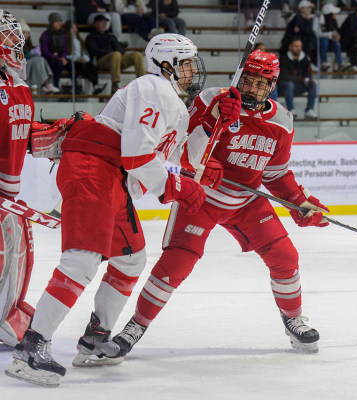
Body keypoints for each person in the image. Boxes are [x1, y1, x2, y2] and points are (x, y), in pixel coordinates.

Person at [5, 33, 241, 388]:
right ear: (167, 65)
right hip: (93, 168)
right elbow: (137, 155)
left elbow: (182, 158)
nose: (194, 72)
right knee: (82, 260)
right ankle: (31, 349)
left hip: (111, 177)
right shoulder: (153, 88)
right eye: (187, 64)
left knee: (130, 258)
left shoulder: (172, 103)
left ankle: (95, 338)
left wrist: (212, 125)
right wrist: (177, 187)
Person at [99, 50, 329, 363]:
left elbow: (276, 174)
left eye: (261, 83)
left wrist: (299, 202)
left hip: (246, 203)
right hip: (201, 197)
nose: (251, 88)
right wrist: (199, 166)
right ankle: (135, 327)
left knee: (286, 256)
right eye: (248, 79)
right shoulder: (212, 99)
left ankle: (294, 319)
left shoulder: (282, 122)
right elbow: (176, 143)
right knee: (175, 265)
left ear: (272, 85)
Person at [0, 10, 36, 346]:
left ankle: (5, 315)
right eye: (10, 36)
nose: (18, 42)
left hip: (9, 195)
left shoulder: (19, 86)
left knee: (17, 257)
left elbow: (23, 133)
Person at [86, 14, 146, 94]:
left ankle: (143, 82)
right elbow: (94, 51)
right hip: (102, 61)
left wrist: (116, 52)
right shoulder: (91, 37)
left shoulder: (111, 36)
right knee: (116, 54)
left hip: (117, 59)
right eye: (101, 22)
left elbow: (120, 48)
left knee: (137, 55)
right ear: (95, 24)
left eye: (105, 22)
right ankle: (115, 83)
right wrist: (110, 52)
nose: (104, 24)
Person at [277, 36, 318, 119]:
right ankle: (290, 109)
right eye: (296, 46)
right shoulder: (284, 59)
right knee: (289, 85)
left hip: (297, 86)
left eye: (300, 46)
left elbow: (308, 73)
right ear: (290, 47)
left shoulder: (304, 58)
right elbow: (284, 77)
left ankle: (309, 110)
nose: (298, 49)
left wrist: (307, 80)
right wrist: (301, 79)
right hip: (284, 87)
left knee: (313, 85)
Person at [64, 20, 107, 95]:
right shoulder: (65, 40)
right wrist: (77, 58)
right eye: (72, 28)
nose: (74, 30)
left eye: (75, 27)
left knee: (91, 65)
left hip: (80, 61)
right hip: (72, 62)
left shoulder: (79, 40)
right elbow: (65, 55)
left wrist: (85, 58)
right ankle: (95, 84)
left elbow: (84, 52)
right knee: (84, 67)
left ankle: (96, 83)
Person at [19, 18, 59, 94]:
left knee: (41, 59)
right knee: (39, 60)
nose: (27, 35)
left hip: (28, 64)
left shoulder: (27, 44)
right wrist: (31, 54)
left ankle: (45, 85)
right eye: (24, 32)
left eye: (28, 33)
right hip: (21, 65)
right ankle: (46, 84)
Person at [39, 12, 74, 90]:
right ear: (52, 23)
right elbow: (45, 52)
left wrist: (63, 57)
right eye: (57, 22)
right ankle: (56, 85)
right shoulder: (45, 35)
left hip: (60, 58)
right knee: (58, 64)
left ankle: (76, 87)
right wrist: (56, 57)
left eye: (60, 22)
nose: (59, 24)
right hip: (49, 59)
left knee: (70, 63)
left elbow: (65, 49)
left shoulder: (62, 35)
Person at [313, 4, 351, 72]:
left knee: (337, 43)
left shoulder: (333, 21)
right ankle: (323, 62)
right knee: (324, 40)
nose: (335, 14)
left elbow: (335, 30)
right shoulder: (318, 19)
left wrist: (336, 36)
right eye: (333, 13)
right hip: (318, 42)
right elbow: (317, 33)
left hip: (330, 42)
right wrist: (330, 35)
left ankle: (340, 63)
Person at [281, 0, 317, 66]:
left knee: (313, 41)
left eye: (310, 8)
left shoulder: (309, 19)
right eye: (307, 8)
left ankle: (312, 62)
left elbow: (308, 31)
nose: (309, 10)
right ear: (301, 9)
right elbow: (305, 30)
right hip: (291, 42)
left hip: (303, 41)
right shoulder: (298, 18)